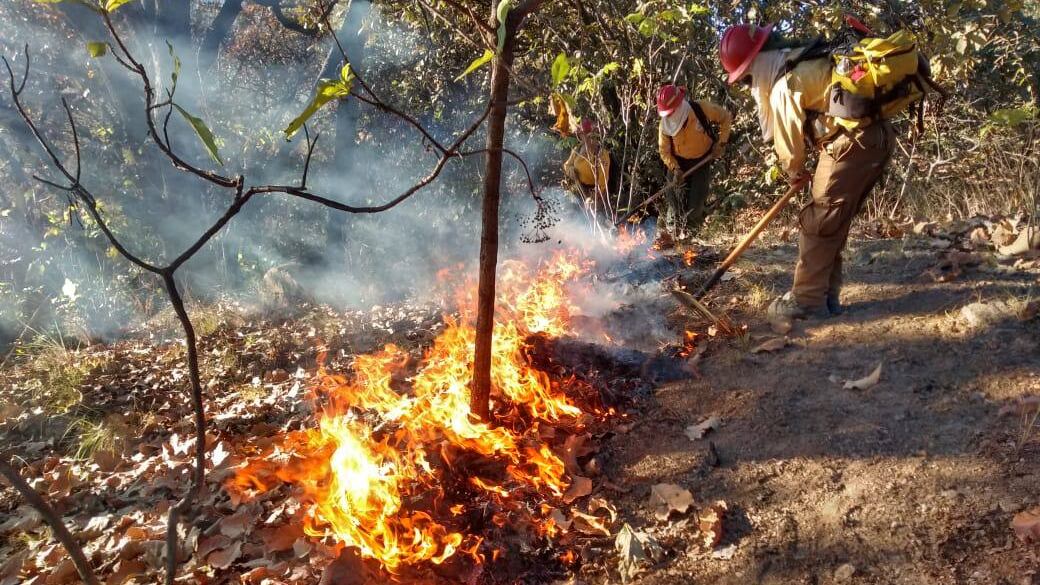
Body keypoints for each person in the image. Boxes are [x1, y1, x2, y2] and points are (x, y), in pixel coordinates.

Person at [720, 23, 896, 319]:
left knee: (818, 223)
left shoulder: (784, 85)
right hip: (877, 139)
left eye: (747, 77)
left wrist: (794, 173)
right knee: (833, 223)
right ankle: (827, 297)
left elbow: (789, 148)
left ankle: (807, 302)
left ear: (757, 62)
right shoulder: (804, 58)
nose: (750, 85)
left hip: (850, 144)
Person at [654, 84, 732, 249]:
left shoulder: (700, 109)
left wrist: (721, 143)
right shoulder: (664, 126)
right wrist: (675, 169)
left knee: (695, 205)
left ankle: (689, 243)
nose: (669, 116)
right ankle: (671, 240)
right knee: (674, 202)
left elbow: (726, 117)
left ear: (678, 105)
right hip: (678, 164)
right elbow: (664, 151)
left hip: (701, 160)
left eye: (671, 112)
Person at [563, 119, 614, 207]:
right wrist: (571, 171)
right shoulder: (577, 149)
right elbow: (567, 165)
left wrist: (592, 198)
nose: (584, 137)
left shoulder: (602, 154)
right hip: (578, 190)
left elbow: (602, 183)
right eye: (582, 135)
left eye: (588, 135)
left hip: (595, 194)